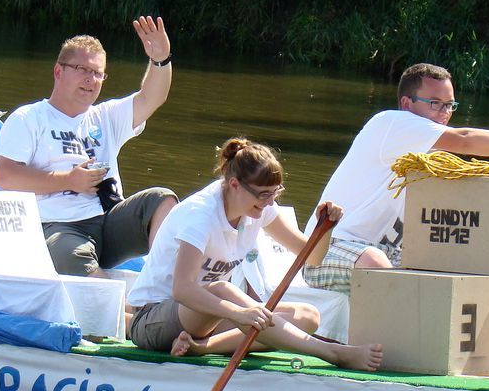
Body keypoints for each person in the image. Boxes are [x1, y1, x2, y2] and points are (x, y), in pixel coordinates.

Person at [303, 63, 489, 292]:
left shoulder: (433, 156)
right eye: (435, 104)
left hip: (387, 255)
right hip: (325, 250)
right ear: (406, 104)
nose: (444, 113)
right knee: (376, 262)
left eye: (449, 105)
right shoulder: (390, 123)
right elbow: (465, 140)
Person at [126, 138, 384, 372]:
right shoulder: (200, 215)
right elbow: (182, 289)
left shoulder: (260, 208)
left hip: (204, 318)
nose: (270, 202)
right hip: (152, 320)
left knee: (307, 316)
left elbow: (312, 259)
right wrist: (237, 314)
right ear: (235, 185)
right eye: (263, 194)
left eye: (276, 193)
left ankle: (202, 347)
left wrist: (324, 227)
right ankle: (334, 353)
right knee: (222, 290)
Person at [0, 17, 178, 278]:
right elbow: (7, 176)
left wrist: (160, 59)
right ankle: (129, 314)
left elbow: (152, 97)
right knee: (70, 255)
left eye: (98, 73)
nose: (91, 79)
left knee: (162, 200)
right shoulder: (28, 118)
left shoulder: (105, 116)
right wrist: (69, 180)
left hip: (108, 221)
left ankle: (159, 286)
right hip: (59, 226)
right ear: (59, 71)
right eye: (83, 69)